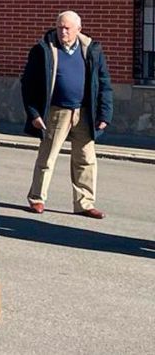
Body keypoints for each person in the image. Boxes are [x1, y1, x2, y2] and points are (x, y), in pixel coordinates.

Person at [23, 11, 112, 219]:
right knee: (47, 156)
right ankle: (37, 198)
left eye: (68, 28)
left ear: (78, 29)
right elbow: (28, 84)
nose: (63, 31)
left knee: (86, 159)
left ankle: (85, 203)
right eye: (60, 27)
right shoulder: (43, 49)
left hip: (84, 112)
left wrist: (105, 115)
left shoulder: (91, 49)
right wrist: (34, 113)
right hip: (56, 111)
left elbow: (104, 83)